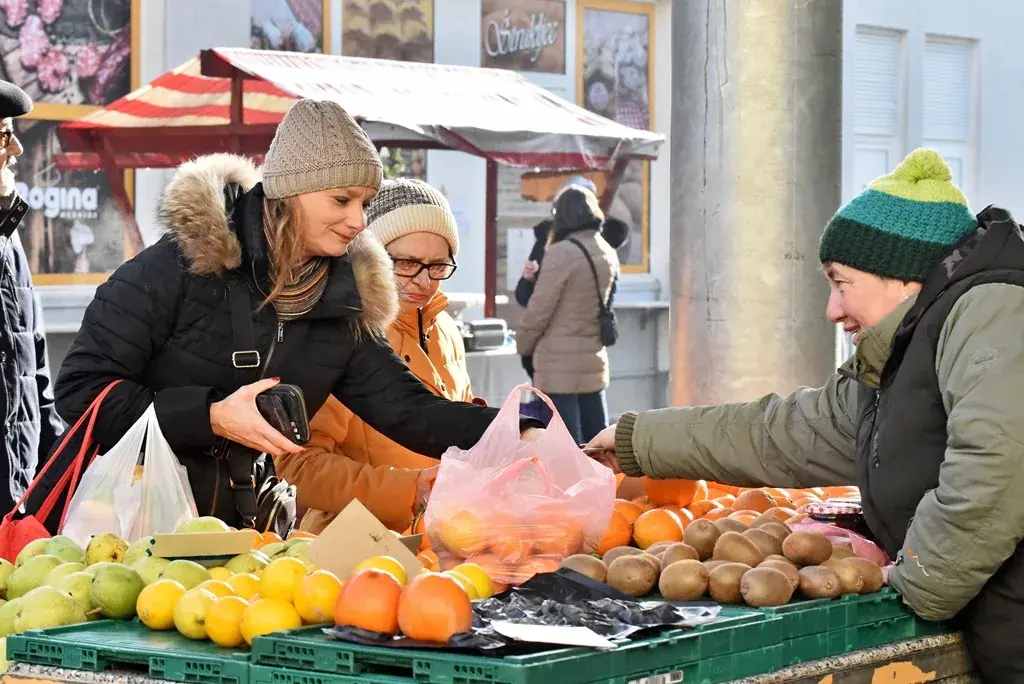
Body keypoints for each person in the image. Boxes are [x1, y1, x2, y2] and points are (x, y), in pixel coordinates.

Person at [586, 149, 1024, 683]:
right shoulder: (896, 355)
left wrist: (914, 582)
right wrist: (639, 440)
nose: (832, 311)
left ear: (904, 277)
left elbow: (996, 469)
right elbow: (782, 432)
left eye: (841, 283)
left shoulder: (993, 311)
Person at [52, 99, 543, 528]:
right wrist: (212, 416)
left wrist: (524, 425)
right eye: (341, 199)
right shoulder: (177, 266)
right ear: (289, 192)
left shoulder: (343, 299)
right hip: (130, 524)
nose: (358, 221)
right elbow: (80, 391)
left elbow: (409, 411)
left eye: (365, 203)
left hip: (246, 534)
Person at [275, 178, 474, 533]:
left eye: (438, 266)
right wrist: (407, 489)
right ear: (373, 258)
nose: (424, 281)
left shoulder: (446, 329)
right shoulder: (343, 334)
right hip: (353, 549)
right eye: (407, 263)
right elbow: (296, 467)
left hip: (440, 541)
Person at [0, 80, 63, 515]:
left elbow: (32, 362)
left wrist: (55, 466)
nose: (17, 149)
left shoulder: (7, 234)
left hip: (17, 494)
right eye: (4, 133)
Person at [517, 184, 620, 444]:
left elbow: (539, 310)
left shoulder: (561, 253)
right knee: (599, 445)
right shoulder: (607, 251)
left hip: (558, 365)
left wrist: (523, 345)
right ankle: (607, 485)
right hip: (592, 360)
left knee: (567, 448)